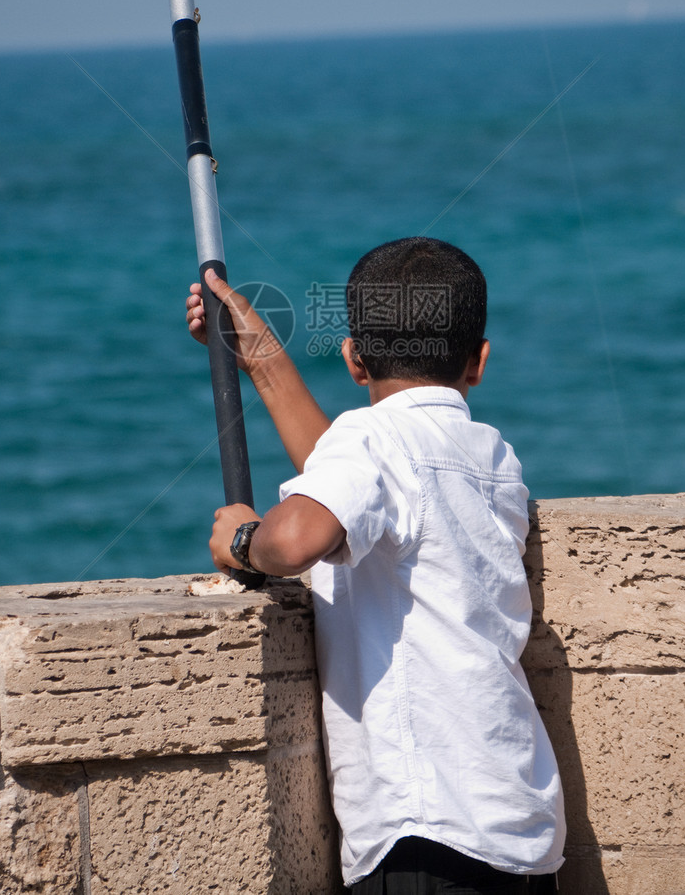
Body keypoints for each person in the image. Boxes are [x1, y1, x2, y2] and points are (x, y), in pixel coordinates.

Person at [186, 238, 565, 894]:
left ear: (354, 358)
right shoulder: (494, 458)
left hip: (425, 834)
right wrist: (265, 362)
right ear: (477, 362)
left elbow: (305, 532)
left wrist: (245, 538)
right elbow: (359, 487)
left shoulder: (374, 442)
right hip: (521, 826)